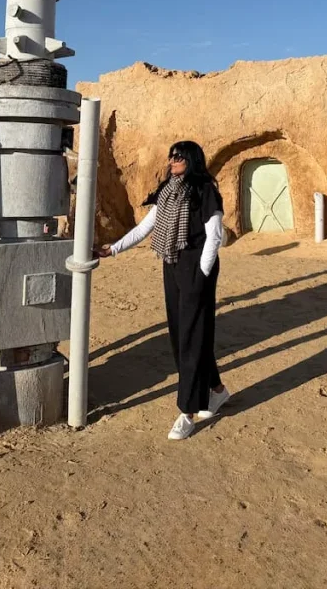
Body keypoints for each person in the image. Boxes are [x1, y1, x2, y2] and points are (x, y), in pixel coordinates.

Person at [95, 140, 229, 440]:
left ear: (192, 159)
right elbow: (145, 228)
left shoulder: (205, 190)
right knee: (184, 333)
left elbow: (214, 235)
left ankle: (188, 411)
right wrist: (113, 249)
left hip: (196, 265)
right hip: (172, 262)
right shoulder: (168, 191)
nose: (172, 161)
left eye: (179, 157)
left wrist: (203, 272)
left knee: (191, 338)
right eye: (171, 156)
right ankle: (217, 391)